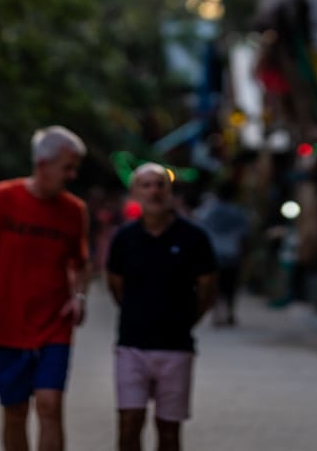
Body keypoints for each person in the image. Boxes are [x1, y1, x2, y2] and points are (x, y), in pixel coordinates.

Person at [0, 127, 90, 451]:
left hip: (54, 322)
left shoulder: (74, 211)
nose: (72, 176)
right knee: (15, 411)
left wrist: (79, 297)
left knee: (49, 404)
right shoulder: (5, 197)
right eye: (67, 167)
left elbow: (81, 264)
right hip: (7, 323)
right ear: (43, 164)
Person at [107, 163, 218, 451]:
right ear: (135, 193)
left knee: (169, 430)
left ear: (170, 192)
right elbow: (116, 286)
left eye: (160, 185)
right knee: (129, 424)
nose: (154, 191)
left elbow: (207, 289)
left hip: (176, 347)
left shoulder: (194, 237)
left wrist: (186, 319)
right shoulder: (124, 238)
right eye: (146, 185)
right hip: (132, 346)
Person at [193, 181, 251, 325]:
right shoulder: (238, 212)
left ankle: (217, 314)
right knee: (230, 286)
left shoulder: (209, 210)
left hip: (214, 253)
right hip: (232, 253)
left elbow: (198, 228)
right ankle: (229, 312)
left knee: (216, 286)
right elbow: (244, 235)